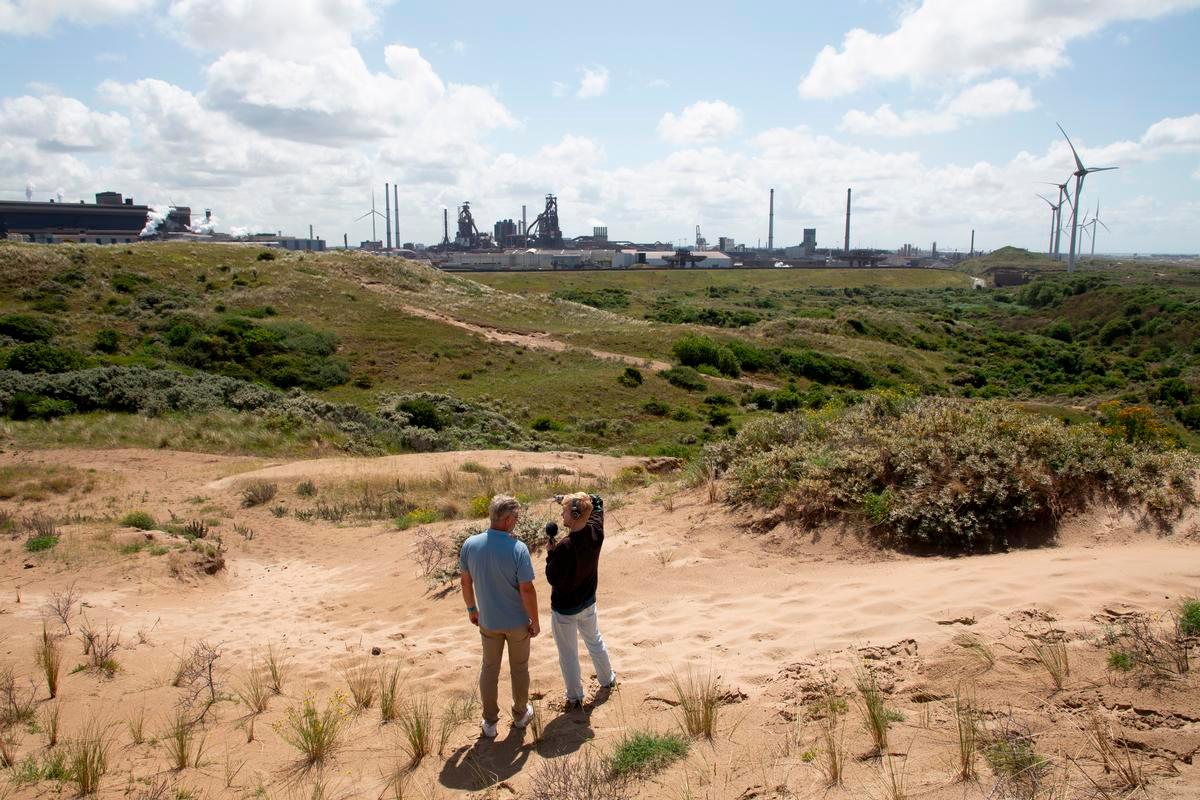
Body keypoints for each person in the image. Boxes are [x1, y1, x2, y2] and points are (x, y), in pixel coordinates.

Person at [459, 494, 540, 738]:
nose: (516, 521)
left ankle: (490, 722)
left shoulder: (470, 544)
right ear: (506, 520)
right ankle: (520, 714)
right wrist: (534, 620)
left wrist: (472, 609)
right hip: (516, 622)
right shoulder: (518, 548)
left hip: (488, 621)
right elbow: (527, 589)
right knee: (519, 668)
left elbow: (465, 582)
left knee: (489, 668)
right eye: (515, 517)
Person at [545, 491, 617, 709]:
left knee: (568, 653)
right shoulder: (596, 531)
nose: (562, 513)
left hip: (565, 609)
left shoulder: (565, 546)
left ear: (575, 515)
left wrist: (550, 553)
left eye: (565, 510)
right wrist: (570, 498)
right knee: (595, 641)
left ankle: (575, 696)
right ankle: (607, 679)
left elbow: (553, 578)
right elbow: (597, 502)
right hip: (588, 602)